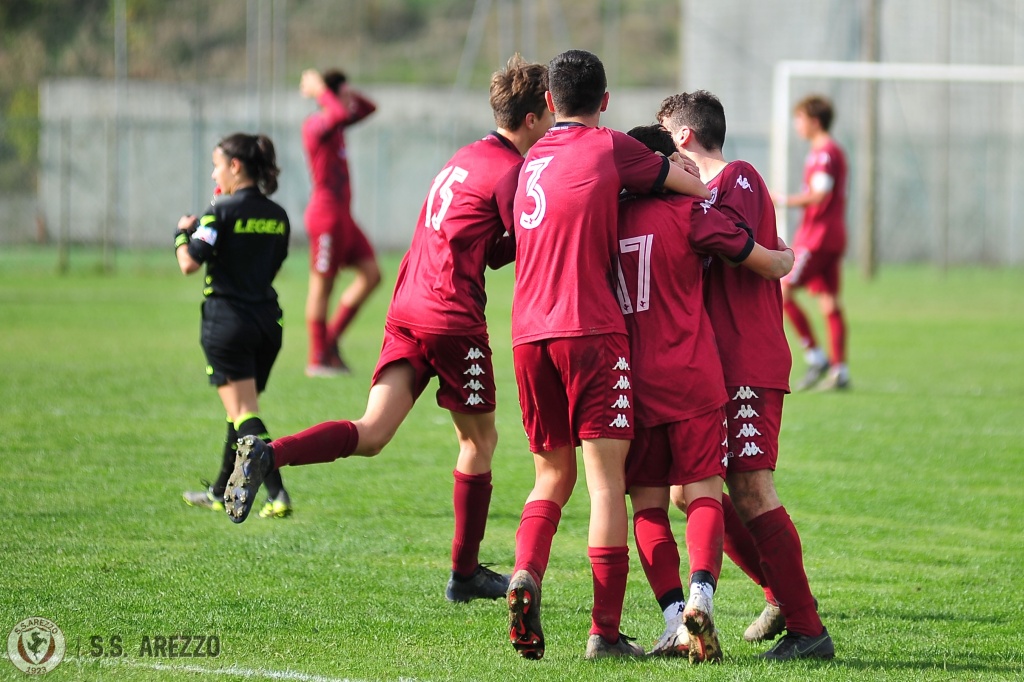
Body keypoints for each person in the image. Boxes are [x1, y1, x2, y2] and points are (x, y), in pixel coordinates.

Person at [220, 55, 552, 603]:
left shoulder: (465, 157)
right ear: (534, 118)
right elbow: (526, 240)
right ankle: (465, 573)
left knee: (372, 433)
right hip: (451, 317)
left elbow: (488, 246)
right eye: (550, 112)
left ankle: (268, 453)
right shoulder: (512, 172)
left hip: (408, 307)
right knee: (480, 440)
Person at [503, 49, 712, 662]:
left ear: (548, 102)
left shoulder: (529, 161)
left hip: (526, 333)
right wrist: (672, 170)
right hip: (590, 329)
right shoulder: (609, 146)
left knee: (550, 476)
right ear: (606, 101)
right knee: (605, 485)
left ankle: (525, 572)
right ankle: (605, 631)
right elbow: (692, 186)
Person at [659, 90, 835, 660]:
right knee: (688, 494)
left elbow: (725, 237)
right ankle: (780, 593)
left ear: (684, 136)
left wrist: (679, 204)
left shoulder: (736, 177)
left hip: (746, 360)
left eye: (664, 138)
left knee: (753, 488)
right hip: (709, 364)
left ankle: (808, 630)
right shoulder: (692, 194)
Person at [619, 124, 794, 665]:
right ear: (664, 165)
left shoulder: (608, 219)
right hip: (691, 374)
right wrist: (784, 257)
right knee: (702, 493)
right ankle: (703, 598)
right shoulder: (689, 214)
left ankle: (671, 621)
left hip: (631, 381)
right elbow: (761, 259)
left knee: (648, 502)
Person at [177, 132, 293, 520]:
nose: (215, 173)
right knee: (238, 411)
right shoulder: (278, 216)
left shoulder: (219, 211)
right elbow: (273, 263)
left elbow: (189, 262)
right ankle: (218, 491)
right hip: (267, 323)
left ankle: (278, 494)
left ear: (235, 166)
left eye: (217, 165)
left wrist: (181, 233)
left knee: (244, 412)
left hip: (228, 322)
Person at [300, 67, 382, 377]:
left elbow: (369, 107)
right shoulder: (316, 124)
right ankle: (317, 358)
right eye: (344, 94)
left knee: (372, 274)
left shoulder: (338, 123)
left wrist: (341, 91)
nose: (350, 100)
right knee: (322, 286)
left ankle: (330, 341)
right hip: (325, 216)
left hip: (344, 217)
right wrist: (322, 91)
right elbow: (335, 114)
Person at [775, 94, 850, 391]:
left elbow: (819, 195)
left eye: (800, 119)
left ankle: (816, 356)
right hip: (832, 236)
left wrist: (781, 200)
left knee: (781, 292)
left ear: (815, 122)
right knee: (829, 302)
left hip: (817, 237)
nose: (797, 125)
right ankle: (840, 370)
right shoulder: (827, 151)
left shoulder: (824, 153)